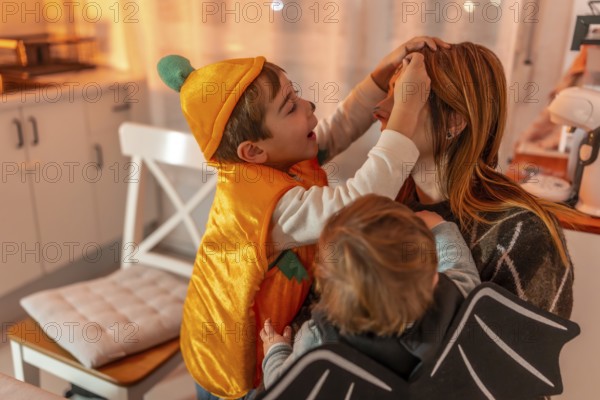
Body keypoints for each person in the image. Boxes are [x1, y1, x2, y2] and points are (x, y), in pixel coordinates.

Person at [157, 37, 449, 399]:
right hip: (234, 357)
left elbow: (337, 129)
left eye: (295, 94)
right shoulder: (267, 207)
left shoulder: (275, 158)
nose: (308, 104)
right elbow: (359, 201)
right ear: (253, 151)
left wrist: (378, 77)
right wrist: (405, 113)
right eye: (290, 107)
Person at [372, 42, 575, 319]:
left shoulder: (523, 234)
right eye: (388, 93)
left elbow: (520, 356)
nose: (379, 109)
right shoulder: (388, 209)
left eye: (403, 97)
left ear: (454, 122)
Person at [260, 194, 481, 388]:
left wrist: (276, 350)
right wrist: (439, 228)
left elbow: (285, 386)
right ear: (433, 278)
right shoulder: (455, 298)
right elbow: (460, 268)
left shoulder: (319, 339)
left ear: (326, 290)